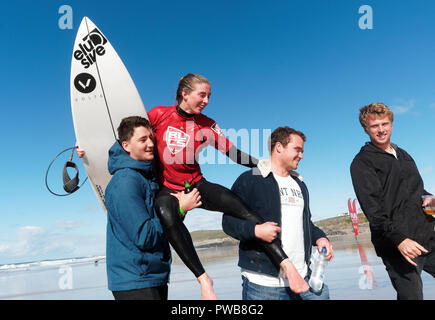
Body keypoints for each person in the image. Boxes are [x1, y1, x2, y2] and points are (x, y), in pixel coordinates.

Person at [148, 74, 302, 299]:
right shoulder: (158, 115)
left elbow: (232, 153)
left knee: (243, 209)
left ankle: (286, 264)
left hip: (196, 184)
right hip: (168, 187)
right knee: (165, 214)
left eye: (209, 96)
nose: (207, 100)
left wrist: (264, 164)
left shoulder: (207, 125)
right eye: (202, 95)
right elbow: (137, 140)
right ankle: (203, 279)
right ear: (185, 94)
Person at [222, 126, 334, 300]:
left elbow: (306, 223)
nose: (302, 155)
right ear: (279, 147)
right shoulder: (250, 179)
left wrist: (320, 237)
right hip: (264, 284)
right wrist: (255, 230)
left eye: (302, 151)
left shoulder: (299, 183)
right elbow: (228, 222)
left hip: (305, 278)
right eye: (297, 150)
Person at [99, 116, 201, 300]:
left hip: (150, 275)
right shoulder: (126, 182)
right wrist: (179, 209)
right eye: (142, 139)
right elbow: (145, 236)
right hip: (136, 280)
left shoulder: (144, 177)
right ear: (126, 146)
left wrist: (177, 209)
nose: (150, 143)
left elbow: (160, 221)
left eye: (151, 138)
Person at [350, 103, 435, 300]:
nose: (381, 129)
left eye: (384, 124)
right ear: (366, 129)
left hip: (426, 238)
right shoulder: (362, 162)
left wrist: (431, 202)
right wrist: (400, 240)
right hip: (398, 246)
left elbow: (418, 191)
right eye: (374, 126)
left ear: (392, 125)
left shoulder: (403, 155)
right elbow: (373, 211)